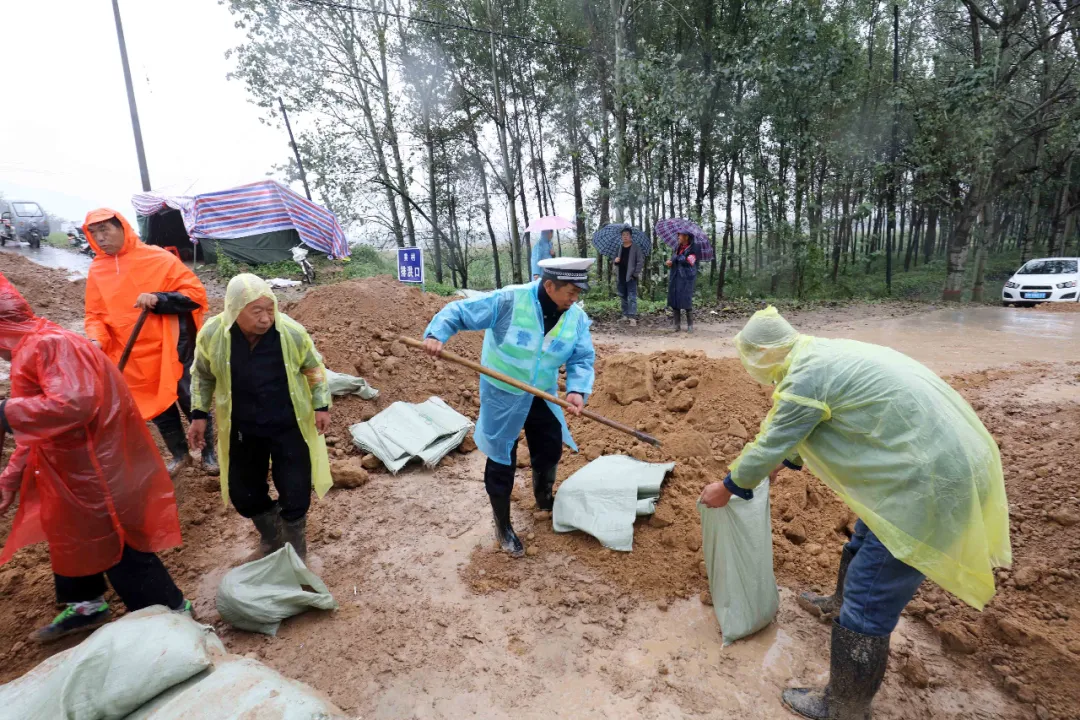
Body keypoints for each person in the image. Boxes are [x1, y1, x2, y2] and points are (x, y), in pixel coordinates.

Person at [699, 306, 1011, 720]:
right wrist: (781, 463)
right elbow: (804, 428)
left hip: (928, 483)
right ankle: (838, 606)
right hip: (939, 461)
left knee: (872, 590)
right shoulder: (819, 354)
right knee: (868, 534)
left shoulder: (803, 378)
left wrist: (728, 487)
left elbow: (773, 440)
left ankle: (844, 705)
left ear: (761, 353)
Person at [0, 273, 190, 643]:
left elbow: (75, 402)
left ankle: (173, 612)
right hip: (66, 470)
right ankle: (88, 604)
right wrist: (10, 479)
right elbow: (36, 429)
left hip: (96, 470)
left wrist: (6, 411)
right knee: (69, 535)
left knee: (117, 543)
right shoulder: (31, 348)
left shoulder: (50, 344)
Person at [422, 257, 596, 557]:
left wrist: (578, 390)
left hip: (543, 394)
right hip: (502, 393)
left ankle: (544, 499)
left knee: (550, 447)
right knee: (502, 457)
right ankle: (503, 525)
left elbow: (581, 357)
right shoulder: (509, 300)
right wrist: (438, 334)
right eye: (571, 291)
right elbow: (460, 311)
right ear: (549, 285)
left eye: (579, 292)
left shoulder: (575, 317)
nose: (575, 298)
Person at [187, 274, 332, 561]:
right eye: (257, 311)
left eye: (270, 309)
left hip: (287, 424)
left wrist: (321, 405)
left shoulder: (290, 333)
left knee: (295, 489)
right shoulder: (213, 334)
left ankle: (295, 551)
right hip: (243, 427)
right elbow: (202, 375)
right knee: (244, 493)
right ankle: (272, 537)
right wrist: (199, 414)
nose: (266, 318)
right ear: (234, 309)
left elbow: (314, 368)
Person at [83, 209, 215, 477]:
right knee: (156, 406)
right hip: (132, 354)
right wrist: (96, 339)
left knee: (190, 399)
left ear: (122, 228)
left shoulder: (158, 258)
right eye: (94, 233)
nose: (100, 238)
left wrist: (159, 298)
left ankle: (208, 452)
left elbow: (195, 295)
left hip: (172, 346)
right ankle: (180, 455)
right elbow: (95, 315)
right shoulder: (98, 269)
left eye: (105, 230)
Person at [665, 232, 697, 333]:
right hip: (675, 276)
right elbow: (674, 259)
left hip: (687, 278)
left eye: (680, 235)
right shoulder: (677, 247)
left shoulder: (694, 248)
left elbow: (690, 262)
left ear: (686, 237)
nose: (678, 237)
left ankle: (690, 325)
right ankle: (677, 325)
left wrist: (678, 258)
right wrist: (670, 262)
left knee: (686, 300)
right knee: (675, 299)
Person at [613, 225, 644, 327]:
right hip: (621, 276)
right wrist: (615, 261)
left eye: (627, 235)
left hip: (631, 276)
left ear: (631, 236)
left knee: (632, 297)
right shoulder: (619, 248)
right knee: (623, 296)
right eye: (623, 235)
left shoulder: (636, 248)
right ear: (621, 237)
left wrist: (635, 274)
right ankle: (625, 314)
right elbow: (615, 261)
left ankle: (632, 317)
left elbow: (640, 262)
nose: (625, 236)